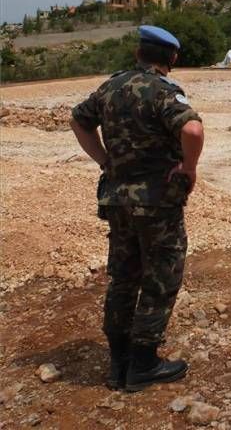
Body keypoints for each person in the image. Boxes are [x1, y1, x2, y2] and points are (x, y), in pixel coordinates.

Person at [70, 25, 205, 392]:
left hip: (117, 199)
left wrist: (104, 160)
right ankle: (144, 363)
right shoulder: (163, 92)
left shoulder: (110, 88)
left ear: (137, 54)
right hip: (157, 201)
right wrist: (189, 169)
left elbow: (78, 120)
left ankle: (119, 362)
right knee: (161, 276)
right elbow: (191, 130)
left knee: (124, 276)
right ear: (172, 58)